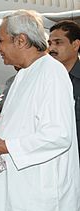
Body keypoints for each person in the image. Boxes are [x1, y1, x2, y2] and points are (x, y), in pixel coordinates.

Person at [0, 10, 80, 211]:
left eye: (1, 40)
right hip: (17, 186)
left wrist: (4, 146)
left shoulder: (52, 72)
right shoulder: (24, 74)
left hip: (38, 192)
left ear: (21, 40)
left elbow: (58, 135)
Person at [48, 20, 80, 158]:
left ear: (75, 45)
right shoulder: (45, 79)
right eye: (49, 43)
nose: (51, 49)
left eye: (58, 42)